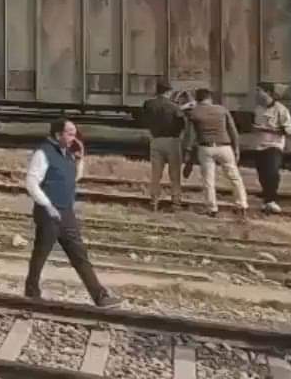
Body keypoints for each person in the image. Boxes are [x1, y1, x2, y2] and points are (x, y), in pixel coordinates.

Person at [23, 117, 122, 307]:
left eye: (74, 133)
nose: (73, 137)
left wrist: (80, 158)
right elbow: (31, 183)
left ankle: (100, 296)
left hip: (66, 212)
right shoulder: (43, 153)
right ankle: (31, 290)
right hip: (48, 212)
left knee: (79, 254)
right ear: (57, 134)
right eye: (69, 133)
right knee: (41, 253)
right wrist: (48, 205)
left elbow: (74, 178)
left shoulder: (67, 154)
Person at [185, 88, 248, 219]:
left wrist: (188, 155)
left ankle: (212, 208)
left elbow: (190, 136)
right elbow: (233, 130)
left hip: (205, 148)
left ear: (197, 99)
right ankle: (242, 205)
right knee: (234, 177)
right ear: (210, 98)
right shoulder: (222, 110)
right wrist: (236, 148)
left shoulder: (194, 113)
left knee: (208, 180)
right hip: (225, 147)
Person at [141, 80, 186, 211]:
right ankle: (176, 202)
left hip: (155, 139)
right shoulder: (174, 106)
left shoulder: (149, 104)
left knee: (156, 173)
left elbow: (145, 119)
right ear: (169, 92)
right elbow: (181, 123)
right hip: (172, 141)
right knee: (175, 174)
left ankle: (154, 201)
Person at [253, 82, 291, 214]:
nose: (257, 93)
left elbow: (289, 131)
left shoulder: (281, 109)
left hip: (274, 146)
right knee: (262, 175)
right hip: (259, 146)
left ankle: (272, 200)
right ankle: (267, 201)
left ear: (268, 92)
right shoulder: (258, 109)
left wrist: (267, 129)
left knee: (272, 173)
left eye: (259, 91)